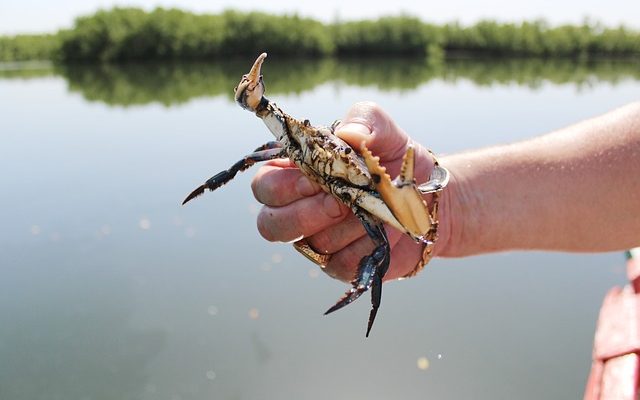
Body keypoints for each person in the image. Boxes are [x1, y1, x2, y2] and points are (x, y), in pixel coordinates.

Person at [250, 101, 640, 282]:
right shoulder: (295, 140)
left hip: (367, 192)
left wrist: (434, 210)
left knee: (379, 248)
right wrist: (446, 207)